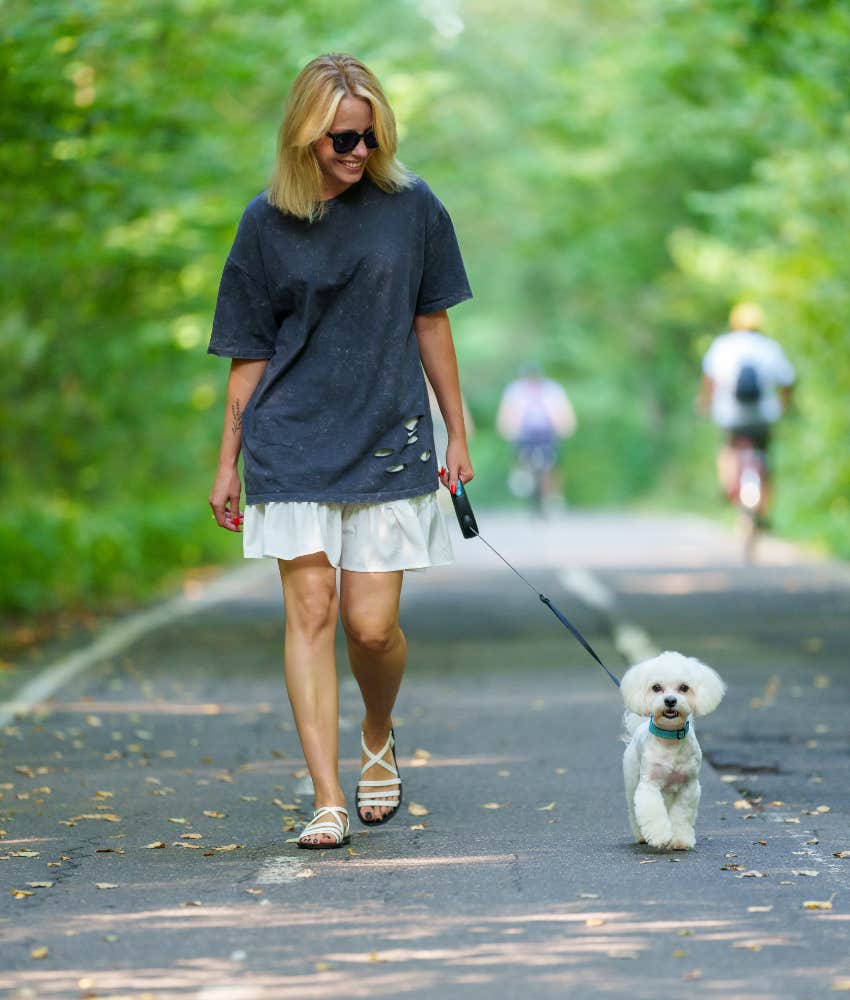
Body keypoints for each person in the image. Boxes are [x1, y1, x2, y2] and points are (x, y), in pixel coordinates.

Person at [207, 54, 473, 849]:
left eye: (368, 137)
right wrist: (227, 459)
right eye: (341, 140)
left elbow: (432, 321)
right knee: (312, 612)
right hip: (289, 439)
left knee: (371, 627)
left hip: (389, 433)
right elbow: (248, 350)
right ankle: (326, 798)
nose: (357, 153)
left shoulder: (412, 205)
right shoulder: (265, 222)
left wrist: (459, 429)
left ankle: (378, 731)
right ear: (304, 137)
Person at [700, 302, 795, 515]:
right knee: (764, 456)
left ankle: (728, 488)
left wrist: (706, 404)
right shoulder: (770, 347)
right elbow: (788, 380)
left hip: (730, 414)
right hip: (764, 414)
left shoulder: (722, 346)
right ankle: (764, 508)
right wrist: (783, 405)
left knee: (729, 450)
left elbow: (709, 380)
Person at [496, 362, 576, 509]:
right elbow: (506, 412)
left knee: (553, 463)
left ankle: (553, 496)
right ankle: (521, 476)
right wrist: (507, 429)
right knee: (521, 458)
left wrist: (566, 427)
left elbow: (563, 410)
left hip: (547, 432)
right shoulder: (515, 390)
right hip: (524, 433)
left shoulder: (552, 390)